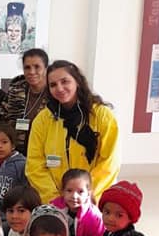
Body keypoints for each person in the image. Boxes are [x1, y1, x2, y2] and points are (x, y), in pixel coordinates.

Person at [26, 60, 120, 204]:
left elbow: (109, 162)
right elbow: (35, 164)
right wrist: (55, 198)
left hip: (91, 199)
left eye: (65, 81)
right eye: (53, 85)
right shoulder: (43, 120)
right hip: (56, 201)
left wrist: (85, 194)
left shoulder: (101, 115)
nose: (59, 88)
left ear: (77, 81)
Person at [0, 48, 50, 155]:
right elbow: (1, 121)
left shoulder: (54, 92)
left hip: (44, 152)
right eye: (27, 67)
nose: (32, 72)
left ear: (46, 68)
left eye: (37, 67)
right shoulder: (15, 90)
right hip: (15, 153)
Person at [49, 168, 104, 236]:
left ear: (88, 193)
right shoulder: (53, 210)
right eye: (69, 191)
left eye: (80, 191)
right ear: (62, 192)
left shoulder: (95, 217)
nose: (74, 196)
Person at [0, 123, 26, 223]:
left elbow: (27, 190)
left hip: (13, 217)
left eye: (4, 142)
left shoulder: (21, 164)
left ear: (13, 145)